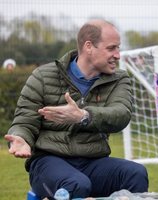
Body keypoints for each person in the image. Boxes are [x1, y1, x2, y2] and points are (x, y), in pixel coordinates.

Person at [4, 19, 148, 199]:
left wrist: (83, 116)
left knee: (136, 173)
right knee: (76, 184)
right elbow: (24, 121)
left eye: (118, 48)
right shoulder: (42, 76)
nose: (118, 55)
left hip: (94, 162)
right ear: (89, 46)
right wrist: (20, 138)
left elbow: (121, 114)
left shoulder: (119, 79)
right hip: (48, 162)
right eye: (111, 48)